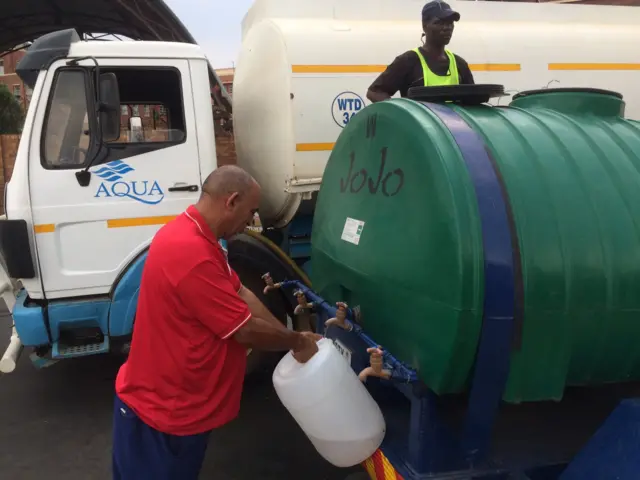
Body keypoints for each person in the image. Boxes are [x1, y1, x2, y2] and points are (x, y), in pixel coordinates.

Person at [111, 165, 321, 480]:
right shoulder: (191, 252)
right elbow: (245, 330)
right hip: (163, 415)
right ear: (231, 201)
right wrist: (297, 342)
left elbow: (242, 293)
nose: (250, 222)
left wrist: (290, 334)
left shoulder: (197, 235)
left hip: (179, 407)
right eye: (249, 212)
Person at [366, 0, 474, 103]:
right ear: (424, 26)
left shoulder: (460, 65)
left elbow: (472, 100)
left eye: (450, 23)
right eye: (439, 23)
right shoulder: (408, 61)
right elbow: (374, 92)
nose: (447, 28)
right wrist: (401, 114)